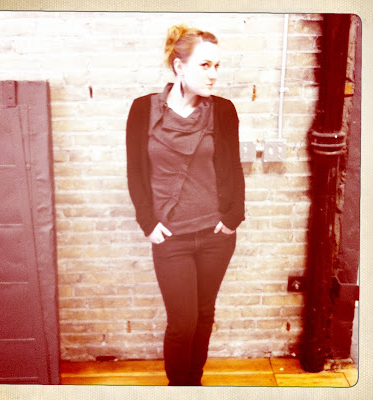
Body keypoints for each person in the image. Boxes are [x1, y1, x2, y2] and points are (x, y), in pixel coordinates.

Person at [126, 24, 245, 386]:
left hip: (215, 235)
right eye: (205, 65)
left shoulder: (223, 111)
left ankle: (195, 383)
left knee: (205, 315)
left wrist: (233, 218)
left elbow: (233, 167)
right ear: (179, 66)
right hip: (171, 238)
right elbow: (136, 172)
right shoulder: (143, 110)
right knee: (182, 323)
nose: (214, 75)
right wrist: (148, 222)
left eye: (217, 66)